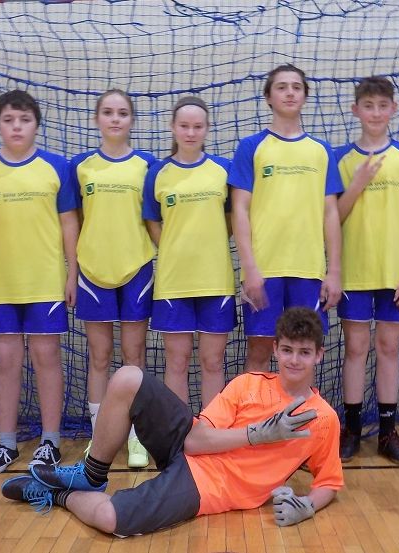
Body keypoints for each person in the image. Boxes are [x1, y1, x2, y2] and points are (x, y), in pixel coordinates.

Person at [1, 307, 343, 536]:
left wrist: (307, 506)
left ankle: (56, 494)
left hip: (208, 487)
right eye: (287, 350)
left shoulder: (323, 419)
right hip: (190, 444)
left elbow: (329, 481)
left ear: (319, 355)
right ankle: (92, 474)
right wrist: (256, 435)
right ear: (275, 349)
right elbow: (194, 441)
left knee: (109, 518)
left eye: (304, 352)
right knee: (128, 377)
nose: (294, 360)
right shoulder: (248, 384)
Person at [0, 90, 79, 474]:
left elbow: (69, 224)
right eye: (9, 120)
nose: (17, 127)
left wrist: (72, 273)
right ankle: (6, 443)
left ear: (36, 124)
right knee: (5, 359)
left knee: (47, 357)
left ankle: (51, 442)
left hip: (45, 282)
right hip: (0, 284)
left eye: (25, 120)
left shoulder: (56, 167)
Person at [333, 77, 399, 465]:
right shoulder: (341, 159)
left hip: (395, 275)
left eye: (382, 105)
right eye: (368, 105)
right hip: (354, 273)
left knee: (389, 348)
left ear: (393, 109)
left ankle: (388, 433)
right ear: (356, 110)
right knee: (355, 349)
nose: (375, 113)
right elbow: (334, 216)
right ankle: (352, 430)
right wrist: (357, 184)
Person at [229, 64, 344, 372]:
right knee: (260, 350)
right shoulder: (251, 147)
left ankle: (299, 408)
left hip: (308, 270)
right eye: (281, 87)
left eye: (296, 87)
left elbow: (330, 212)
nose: (290, 92)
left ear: (305, 95)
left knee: (304, 352)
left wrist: (334, 271)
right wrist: (249, 268)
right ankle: (257, 407)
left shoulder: (321, 151)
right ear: (268, 97)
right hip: (264, 270)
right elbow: (239, 210)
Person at [70, 89, 156, 467]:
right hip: (93, 271)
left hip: (136, 269)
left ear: (131, 119)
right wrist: (73, 270)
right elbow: (74, 221)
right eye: (108, 112)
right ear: (97, 119)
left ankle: (137, 438)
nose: (115, 119)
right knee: (100, 356)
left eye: (122, 112)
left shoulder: (147, 166)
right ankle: (99, 439)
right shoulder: (81, 167)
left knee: (134, 357)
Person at [142, 96, 235, 408]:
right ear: (172, 127)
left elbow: (232, 220)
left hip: (216, 281)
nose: (191, 133)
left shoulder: (223, 170)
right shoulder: (157, 173)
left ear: (207, 129)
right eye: (184, 126)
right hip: (174, 283)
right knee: (177, 361)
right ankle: (179, 432)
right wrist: (173, 247)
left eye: (198, 126)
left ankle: (211, 427)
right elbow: (152, 221)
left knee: (213, 361)